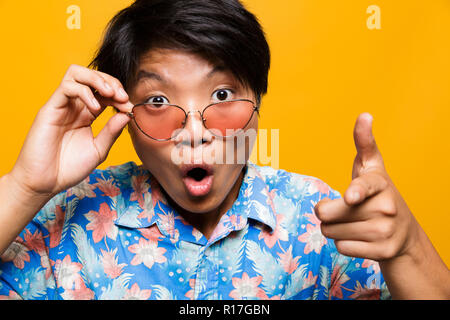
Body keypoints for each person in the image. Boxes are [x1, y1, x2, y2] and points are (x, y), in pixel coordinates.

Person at [0, 0, 448, 300]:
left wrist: (408, 246)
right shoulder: (69, 218)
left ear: (258, 103)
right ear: (125, 115)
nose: (195, 132)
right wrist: (24, 186)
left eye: (220, 96)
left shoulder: (318, 218)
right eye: (158, 101)